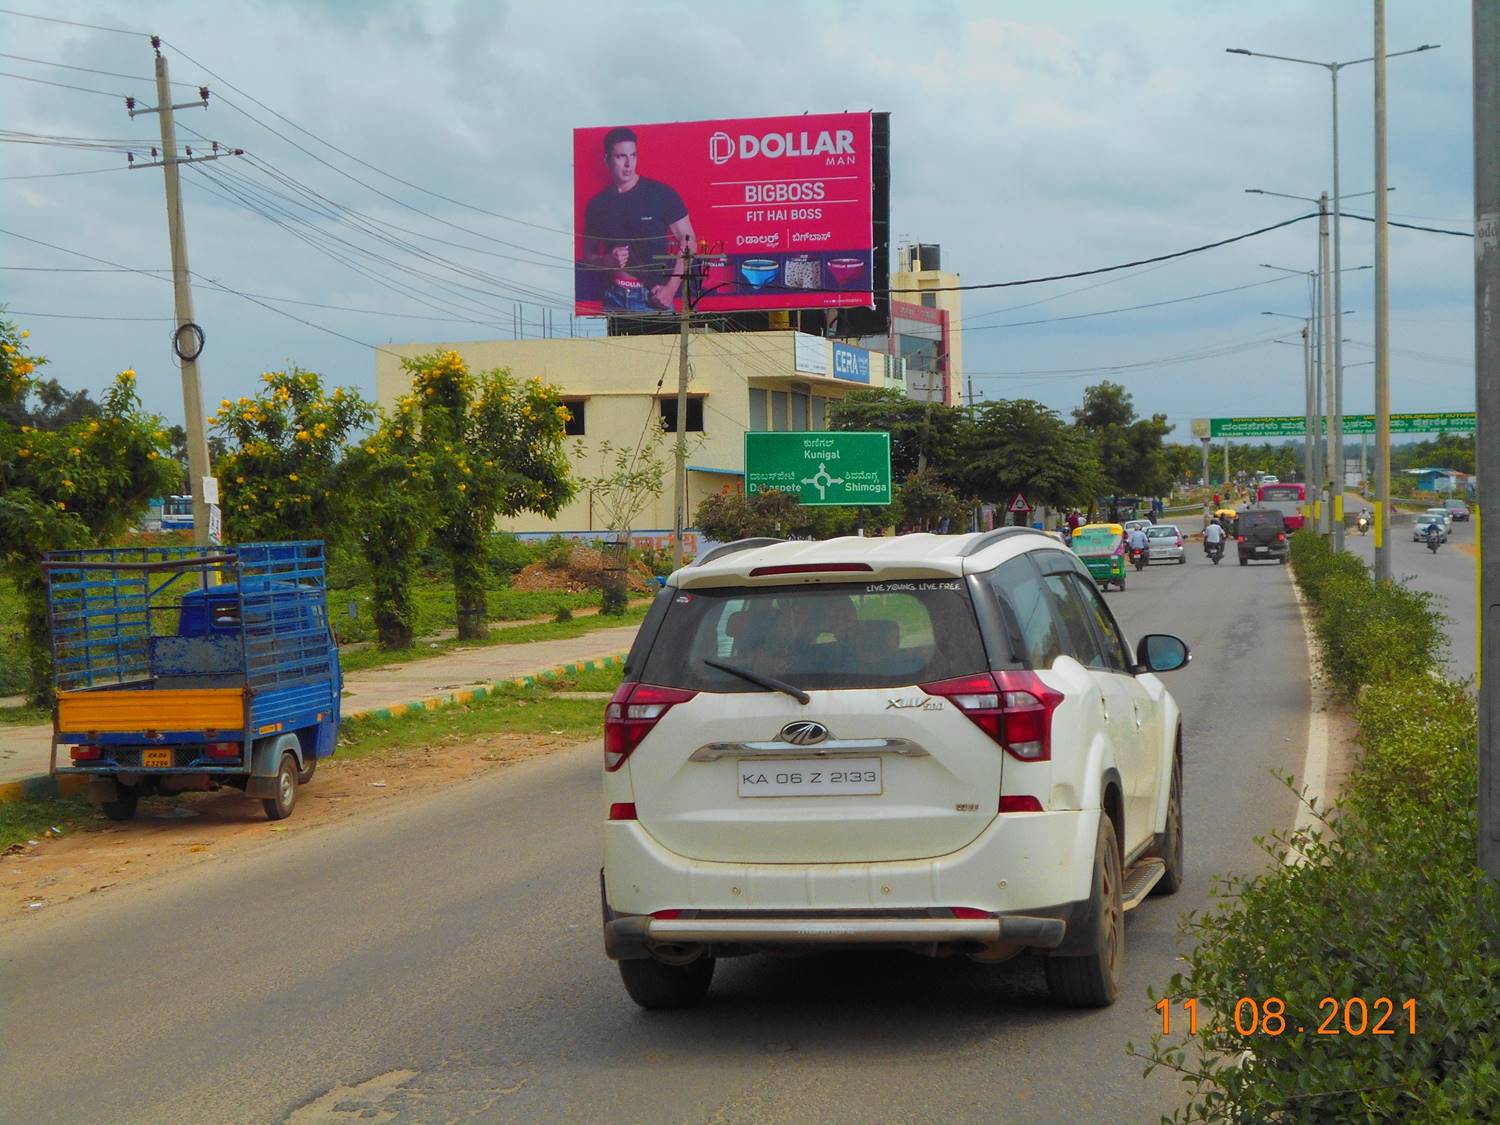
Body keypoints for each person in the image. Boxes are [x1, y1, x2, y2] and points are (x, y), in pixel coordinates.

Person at [580, 127, 697, 313]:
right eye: (621, 156)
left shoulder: (660, 194)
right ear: (607, 159)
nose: (628, 164)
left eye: (633, 155)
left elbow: (689, 240)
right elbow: (588, 258)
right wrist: (607, 261)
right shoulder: (598, 204)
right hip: (613, 297)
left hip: (652, 298)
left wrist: (671, 289)